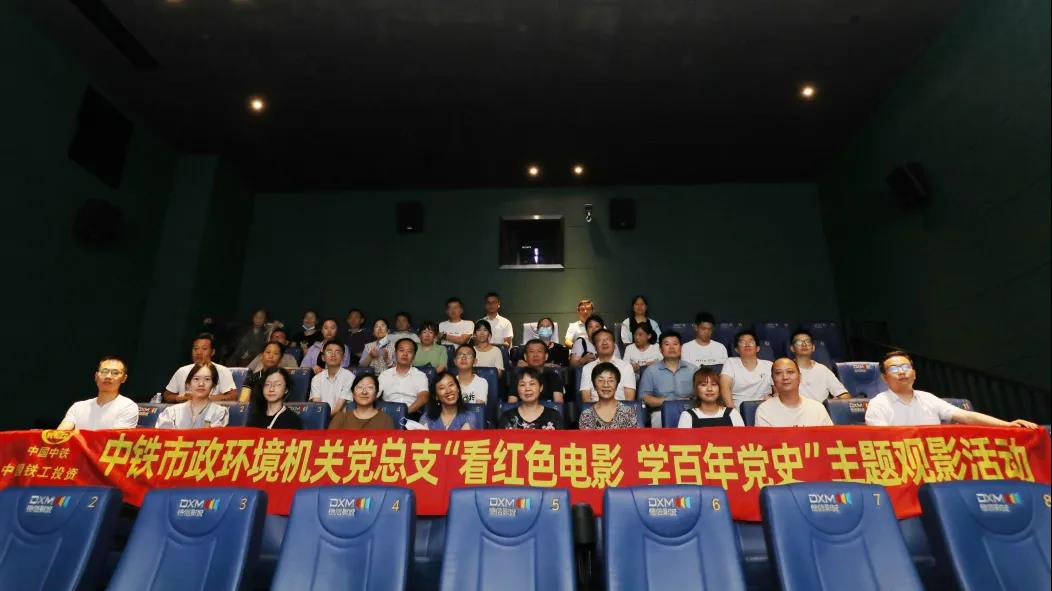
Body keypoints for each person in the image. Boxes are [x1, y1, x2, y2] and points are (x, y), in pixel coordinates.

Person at [865, 351, 1040, 428]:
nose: (902, 372)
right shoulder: (878, 404)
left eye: (906, 367)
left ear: (915, 374)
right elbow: (881, 441)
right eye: (894, 369)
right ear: (884, 378)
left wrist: (1008, 425)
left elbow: (967, 416)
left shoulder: (928, 398)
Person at [57, 356, 138, 430]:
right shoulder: (78, 407)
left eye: (115, 373)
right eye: (104, 371)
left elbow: (115, 437)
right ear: (96, 376)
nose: (108, 376)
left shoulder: (128, 407)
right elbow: (60, 435)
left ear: (124, 378)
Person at [639, 331, 697, 426]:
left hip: (689, 410)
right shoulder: (651, 371)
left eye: (675, 344)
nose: (671, 347)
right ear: (660, 349)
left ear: (681, 347)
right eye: (667, 344)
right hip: (660, 411)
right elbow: (644, 398)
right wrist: (667, 401)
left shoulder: (693, 369)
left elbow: (701, 394)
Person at [755, 358, 833, 427]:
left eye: (790, 372)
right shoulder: (764, 410)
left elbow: (830, 437)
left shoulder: (817, 408)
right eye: (778, 373)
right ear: (772, 380)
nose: (785, 377)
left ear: (800, 377)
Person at [162, 333, 237, 402]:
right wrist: (179, 397)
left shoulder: (222, 370)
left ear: (213, 352)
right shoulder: (182, 371)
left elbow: (233, 396)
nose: (198, 353)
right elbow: (167, 395)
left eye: (204, 349)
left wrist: (205, 399)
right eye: (195, 348)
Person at [156, 364, 230, 428]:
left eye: (207, 379)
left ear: (213, 385)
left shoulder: (220, 412)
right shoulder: (171, 412)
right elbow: (163, 437)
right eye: (196, 379)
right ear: (188, 384)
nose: (201, 384)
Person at [719, 330, 773, 409]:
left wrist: (774, 400)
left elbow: (779, 390)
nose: (747, 345)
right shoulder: (730, 362)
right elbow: (725, 387)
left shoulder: (769, 365)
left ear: (757, 348)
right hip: (738, 408)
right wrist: (732, 410)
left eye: (751, 342)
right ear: (736, 349)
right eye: (742, 342)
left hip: (765, 407)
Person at [790, 329, 849, 401]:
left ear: (813, 347)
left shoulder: (823, 370)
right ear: (792, 348)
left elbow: (843, 394)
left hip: (821, 407)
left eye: (808, 341)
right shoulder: (787, 369)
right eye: (799, 342)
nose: (804, 344)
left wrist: (835, 402)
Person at [579, 362, 640, 429]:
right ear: (594, 385)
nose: (606, 385)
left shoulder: (628, 413)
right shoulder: (586, 415)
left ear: (617, 385)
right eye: (601, 380)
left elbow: (633, 435)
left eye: (611, 380)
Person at [580, 329, 636, 402]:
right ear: (595, 347)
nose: (604, 343)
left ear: (614, 345)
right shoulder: (587, 368)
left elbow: (629, 400)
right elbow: (586, 399)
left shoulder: (626, 367)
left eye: (608, 339)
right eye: (599, 340)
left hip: (620, 407)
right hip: (595, 407)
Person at [678, 367, 745, 427]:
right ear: (696, 389)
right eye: (703, 385)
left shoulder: (732, 413)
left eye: (714, 384)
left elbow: (743, 436)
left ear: (719, 388)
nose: (709, 389)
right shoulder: (687, 416)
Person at [499, 367, 564, 429]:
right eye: (522, 385)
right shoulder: (507, 418)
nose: (527, 389)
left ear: (541, 388)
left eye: (532, 384)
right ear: (517, 389)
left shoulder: (554, 417)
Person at [378, 338, 430, 415]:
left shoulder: (420, 375)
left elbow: (423, 398)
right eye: (401, 350)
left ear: (414, 356)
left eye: (409, 351)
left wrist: (403, 413)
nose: (405, 354)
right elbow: (374, 395)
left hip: (411, 413)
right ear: (395, 353)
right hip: (387, 414)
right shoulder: (384, 375)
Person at [329, 373, 395, 430]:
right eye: (360, 387)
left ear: (376, 394)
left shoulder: (385, 420)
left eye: (370, 387)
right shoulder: (340, 418)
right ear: (353, 394)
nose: (364, 392)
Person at [309, 340, 353, 415]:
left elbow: (339, 407)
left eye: (337, 352)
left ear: (343, 357)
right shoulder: (316, 379)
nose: (333, 355)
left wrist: (326, 418)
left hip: (341, 418)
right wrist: (322, 418)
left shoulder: (349, 376)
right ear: (323, 357)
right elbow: (317, 405)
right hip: (320, 417)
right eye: (329, 352)